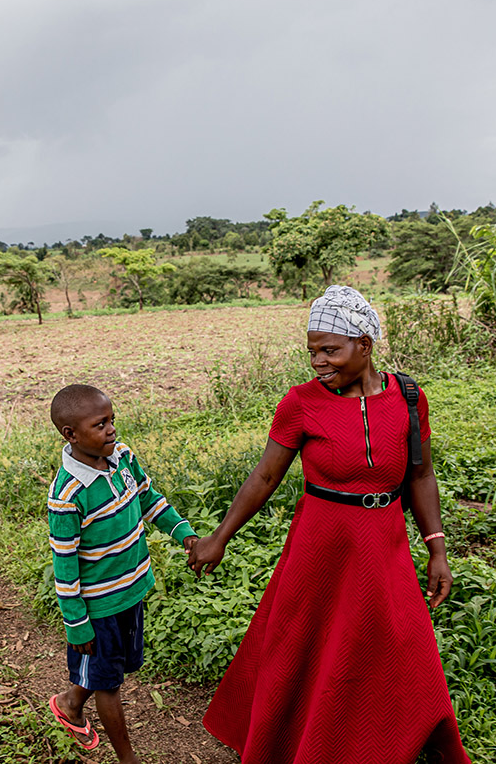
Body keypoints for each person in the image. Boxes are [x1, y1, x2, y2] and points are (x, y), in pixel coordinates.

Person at [187, 285, 472, 764]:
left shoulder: (407, 397)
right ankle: (298, 738)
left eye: (330, 350)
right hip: (322, 544)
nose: (318, 361)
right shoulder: (300, 403)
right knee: (308, 644)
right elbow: (265, 475)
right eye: (313, 351)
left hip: (383, 542)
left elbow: (421, 473)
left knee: (397, 642)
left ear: (365, 344)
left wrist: (437, 548)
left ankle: (389, 740)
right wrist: (220, 536)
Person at [46, 384, 199, 763]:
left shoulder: (123, 457)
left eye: (112, 420)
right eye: (100, 424)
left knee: (112, 668)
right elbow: (64, 568)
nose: (112, 430)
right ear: (71, 435)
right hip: (97, 610)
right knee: (110, 684)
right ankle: (128, 758)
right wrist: (76, 623)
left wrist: (183, 532)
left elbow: (149, 498)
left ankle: (68, 703)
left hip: (131, 591)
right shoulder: (67, 497)